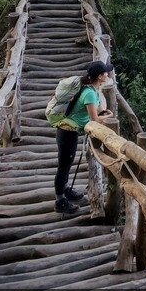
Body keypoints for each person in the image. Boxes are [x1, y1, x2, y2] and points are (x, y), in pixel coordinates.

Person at [54, 60, 114, 213]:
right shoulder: (89, 93)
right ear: (100, 76)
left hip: (68, 131)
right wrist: (109, 116)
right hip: (67, 133)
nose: (108, 74)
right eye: (106, 72)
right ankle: (60, 202)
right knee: (64, 167)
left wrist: (103, 113)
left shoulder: (90, 89)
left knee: (66, 164)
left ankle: (66, 190)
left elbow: (95, 111)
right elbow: (94, 119)